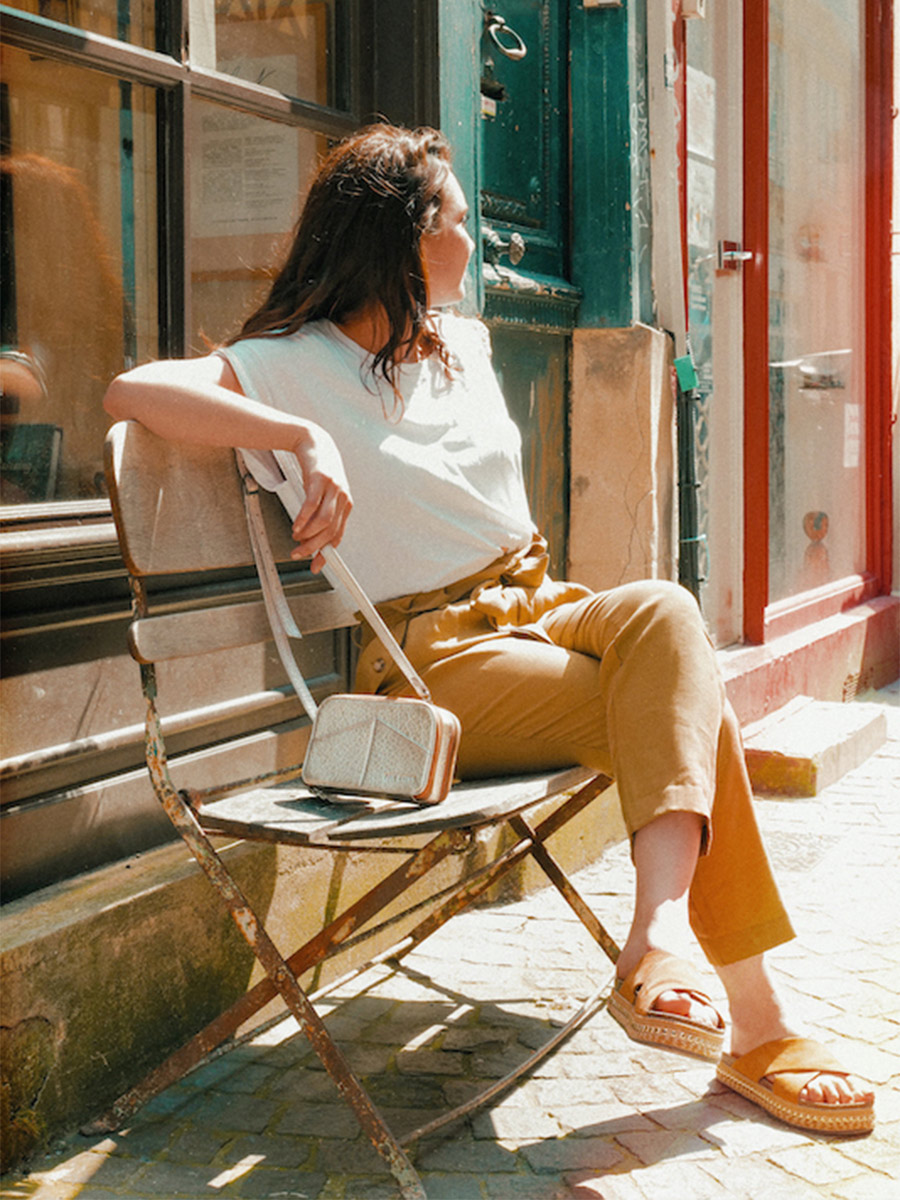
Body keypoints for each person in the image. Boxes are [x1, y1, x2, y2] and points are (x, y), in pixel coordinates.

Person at [103, 123, 874, 1134]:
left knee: (670, 613)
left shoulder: (460, 340)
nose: (482, 244)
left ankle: (658, 933)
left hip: (541, 602)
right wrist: (299, 436)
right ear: (408, 241)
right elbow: (130, 393)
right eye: (463, 225)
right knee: (677, 710)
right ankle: (755, 1021)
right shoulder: (286, 365)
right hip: (436, 661)